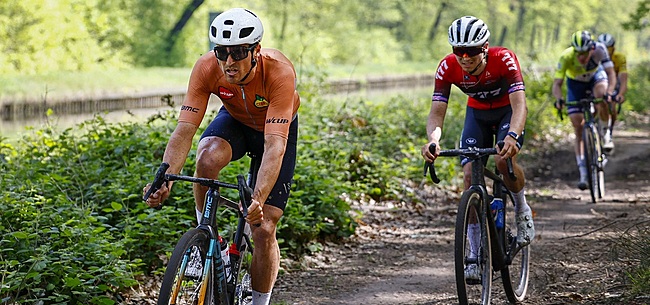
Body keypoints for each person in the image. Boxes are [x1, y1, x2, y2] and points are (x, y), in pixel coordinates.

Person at [142, 8, 300, 305]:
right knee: (207, 156)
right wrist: (164, 178)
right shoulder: (206, 67)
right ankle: (205, 237)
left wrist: (258, 199)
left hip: (276, 131)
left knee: (264, 228)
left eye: (238, 53)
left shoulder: (279, 71)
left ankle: (259, 302)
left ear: (256, 51)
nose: (229, 61)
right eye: (222, 52)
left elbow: (275, 146)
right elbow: (184, 131)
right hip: (237, 120)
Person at [421, 16, 534, 280]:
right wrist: (433, 140)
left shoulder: (504, 59)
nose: (464, 57)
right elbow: (437, 113)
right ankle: (473, 253)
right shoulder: (447, 67)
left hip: (508, 112)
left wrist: (513, 135)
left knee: (504, 161)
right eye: (458, 51)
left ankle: (521, 209)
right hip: (478, 115)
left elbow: (520, 106)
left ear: (484, 48)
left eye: (471, 51)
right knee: (470, 175)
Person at [552, 30, 617, 190]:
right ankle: (583, 172)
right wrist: (559, 99)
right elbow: (557, 84)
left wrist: (610, 93)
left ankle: (605, 134)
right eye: (578, 53)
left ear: (592, 49)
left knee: (601, 95)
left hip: (596, 76)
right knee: (577, 126)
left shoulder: (600, 50)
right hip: (575, 84)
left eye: (585, 53)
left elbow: (611, 73)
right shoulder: (566, 56)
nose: (581, 57)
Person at [597, 32, 628, 152]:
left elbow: (623, 79)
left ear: (613, 49)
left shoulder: (619, 58)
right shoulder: (595, 57)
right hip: (598, 82)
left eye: (608, 50)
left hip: (613, 83)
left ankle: (608, 131)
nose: (605, 53)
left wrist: (620, 94)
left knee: (612, 107)